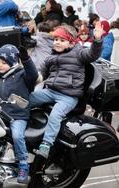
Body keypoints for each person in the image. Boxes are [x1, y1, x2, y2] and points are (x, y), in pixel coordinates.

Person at [29, 22, 103, 160]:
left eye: (62, 40)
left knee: (56, 115)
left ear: (70, 43)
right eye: (56, 39)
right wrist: (29, 78)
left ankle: (46, 144)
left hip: (68, 96)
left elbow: (92, 54)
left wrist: (97, 40)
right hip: (51, 91)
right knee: (28, 99)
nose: (57, 42)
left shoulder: (79, 54)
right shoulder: (51, 57)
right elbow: (41, 75)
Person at [0, 44, 38, 183]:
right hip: (0, 115)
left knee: (17, 135)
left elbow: (33, 74)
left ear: (13, 62)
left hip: (17, 116)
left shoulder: (22, 75)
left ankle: (23, 165)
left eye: (4, 62)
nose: (0, 65)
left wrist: (26, 59)